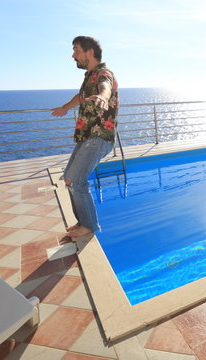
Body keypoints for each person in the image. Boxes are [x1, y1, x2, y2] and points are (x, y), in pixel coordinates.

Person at [52, 36, 119, 239]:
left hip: (99, 136)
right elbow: (80, 96)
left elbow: (105, 87)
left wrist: (103, 97)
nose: (73, 55)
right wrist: (65, 107)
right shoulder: (89, 76)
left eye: (76, 50)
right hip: (87, 136)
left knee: (77, 180)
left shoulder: (103, 74)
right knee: (70, 181)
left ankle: (89, 226)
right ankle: (82, 222)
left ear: (90, 52)